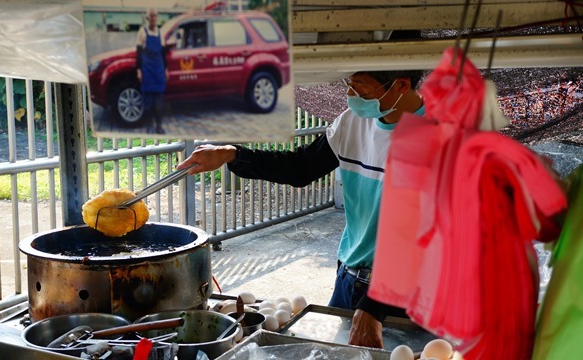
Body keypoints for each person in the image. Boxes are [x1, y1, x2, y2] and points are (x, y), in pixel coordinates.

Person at [177, 70, 425, 348]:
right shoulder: (353, 123)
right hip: (350, 279)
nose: (351, 97)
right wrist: (232, 154)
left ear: (402, 85)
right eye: (349, 86)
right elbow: (300, 167)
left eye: (362, 90)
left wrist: (374, 306)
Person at [136, 8, 167, 134]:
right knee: (148, 102)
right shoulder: (142, 32)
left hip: (159, 70)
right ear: (147, 17)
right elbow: (138, 52)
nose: (153, 18)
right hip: (147, 71)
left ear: (157, 17)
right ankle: (149, 126)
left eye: (155, 16)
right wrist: (139, 69)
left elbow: (163, 54)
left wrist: (166, 69)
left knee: (159, 103)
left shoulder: (161, 33)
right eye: (151, 16)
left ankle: (159, 126)